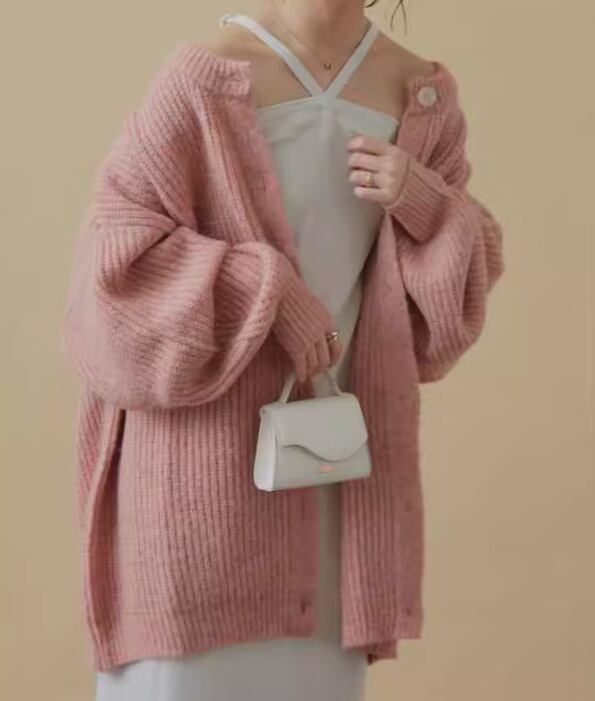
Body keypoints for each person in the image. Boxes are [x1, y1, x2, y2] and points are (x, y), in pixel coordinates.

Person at [61, 1, 505, 700]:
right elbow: (111, 276)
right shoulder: (206, 79)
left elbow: (445, 321)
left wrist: (422, 200)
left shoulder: (421, 94)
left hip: (329, 478)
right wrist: (267, 292)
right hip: (197, 488)